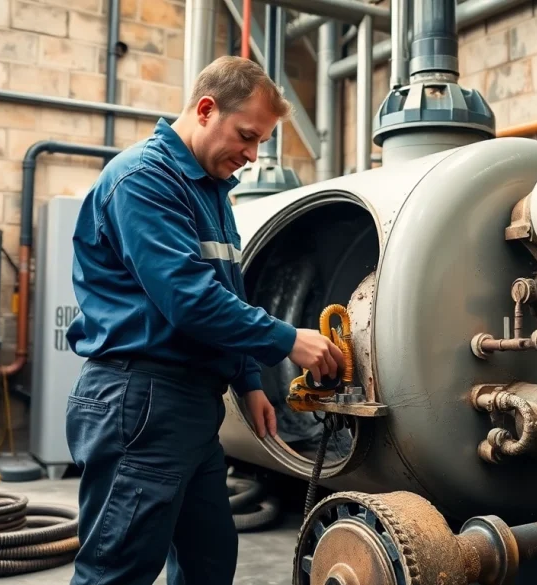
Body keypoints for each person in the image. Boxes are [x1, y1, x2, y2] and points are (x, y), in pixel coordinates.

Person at [63, 56, 345, 585]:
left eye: (260, 142)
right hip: (141, 400)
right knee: (118, 570)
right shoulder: (145, 180)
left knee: (209, 558)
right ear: (206, 109)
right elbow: (189, 300)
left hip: (190, 406)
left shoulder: (209, 191)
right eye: (246, 135)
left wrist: (247, 380)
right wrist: (288, 340)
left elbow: (225, 291)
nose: (251, 154)